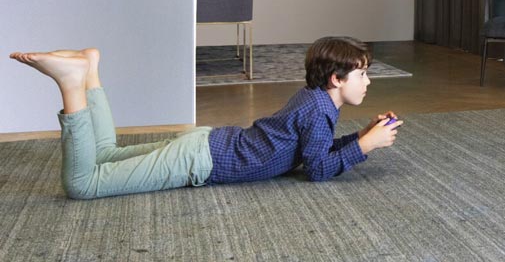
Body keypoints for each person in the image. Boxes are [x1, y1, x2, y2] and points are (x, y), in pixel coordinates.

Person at [8, 35, 401, 199]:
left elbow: (315, 152)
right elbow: (317, 169)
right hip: (199, 160)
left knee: (108, 155)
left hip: (207, 143)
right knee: (83, 184)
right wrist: (365, 145)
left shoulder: (316, 100)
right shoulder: (319, 111)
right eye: (363, 73)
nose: (368, 81)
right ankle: (73, 85)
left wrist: (359, 137)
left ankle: (90, 72)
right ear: (336, 79)